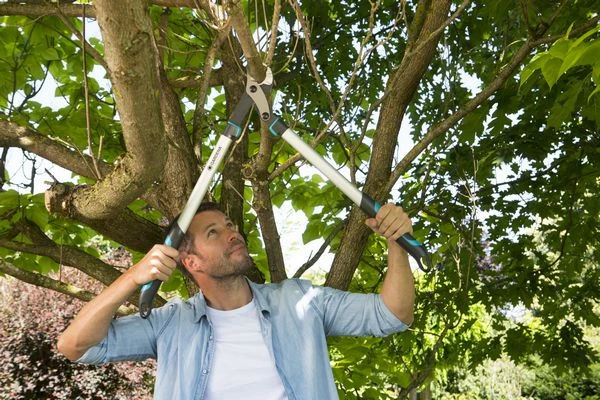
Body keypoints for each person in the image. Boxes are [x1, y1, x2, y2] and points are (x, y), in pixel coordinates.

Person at [57, 201, 415, 399]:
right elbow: (74, 345)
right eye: (214, 232)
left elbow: (394, 314)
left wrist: (396, 242)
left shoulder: (299, 301)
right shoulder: (171, 324)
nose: (232, 233)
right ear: (191, 262)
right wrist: (133, 277)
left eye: (230, 225)